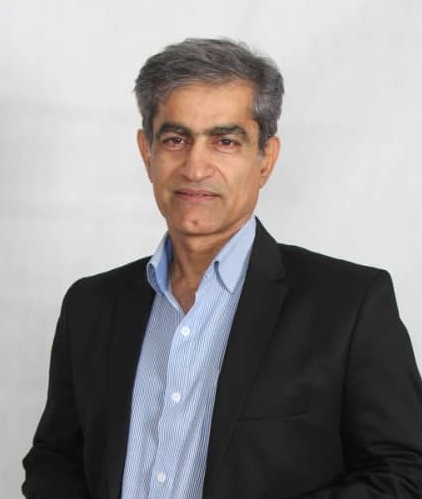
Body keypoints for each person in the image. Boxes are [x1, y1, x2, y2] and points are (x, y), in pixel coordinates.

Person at [22, 38, 422, 499]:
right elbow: (55, 461)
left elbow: (406, 475)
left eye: (225, 141)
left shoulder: (348, 306)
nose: (195, 168)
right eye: (175, 139)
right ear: (147, 152)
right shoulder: (91, 306)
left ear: (265, 159)